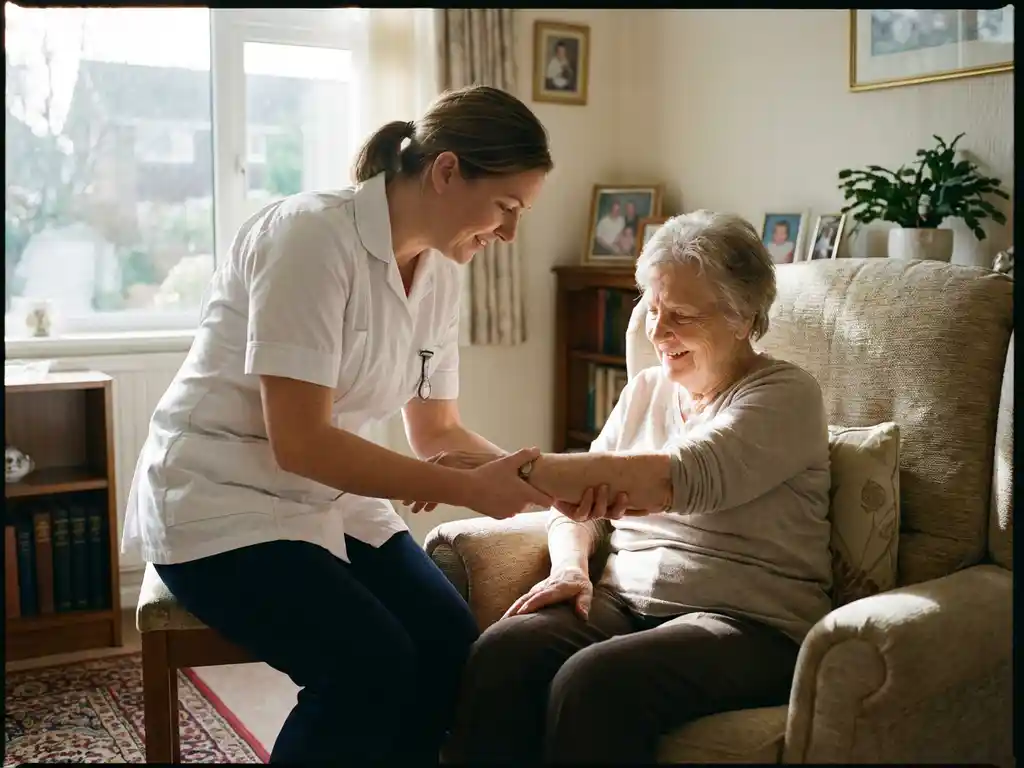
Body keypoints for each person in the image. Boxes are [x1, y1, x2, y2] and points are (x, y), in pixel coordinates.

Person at [120, 85, 560, 765]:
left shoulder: (440, 272)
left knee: (448, 644)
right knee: (369, 667)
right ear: (446, 171)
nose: (509, 234)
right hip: (219, 499)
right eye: (505, 208)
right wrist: (470, 492)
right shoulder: (308, 237)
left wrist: (548, 481)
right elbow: (300, 441)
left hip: (328, 498)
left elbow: (436, 431)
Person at [440, 210, 834, 764]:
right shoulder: (647, 389)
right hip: (625, 599)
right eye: (653, 309)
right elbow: (579, 506)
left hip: (748, 623)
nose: (658, 331)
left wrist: (514, 469)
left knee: (594, 682)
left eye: (682, 315)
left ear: (743, 317)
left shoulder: (785, 396)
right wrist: (571, 569)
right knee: (505, 653)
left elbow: (680, 476)